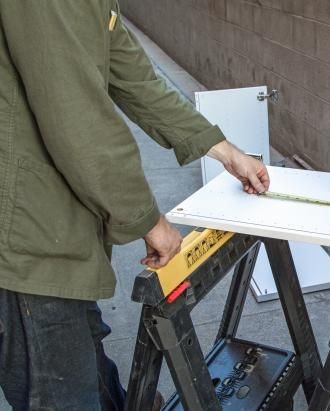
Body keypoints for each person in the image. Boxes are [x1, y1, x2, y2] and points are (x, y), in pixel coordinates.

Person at [0, 1, 269, 410]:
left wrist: (224, 150)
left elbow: (136, 77)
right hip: (25, 237)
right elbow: (80, 120)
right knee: (61, 386)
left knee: (86, 356)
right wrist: (147, 219)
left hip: (51, 223)